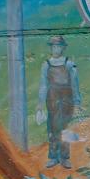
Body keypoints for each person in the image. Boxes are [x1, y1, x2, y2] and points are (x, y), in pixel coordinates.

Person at [35, 35, 81, 169]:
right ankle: (53, 156)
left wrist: (77, 102)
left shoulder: (69, 64)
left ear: (63, 48)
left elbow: (74, 84)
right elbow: (43, 85)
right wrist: (40, 102)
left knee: (66, 127)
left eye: (59, 47)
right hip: (52, 100)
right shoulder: (46, 65)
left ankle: (65, 157)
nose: (56, 49)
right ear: (51, 48)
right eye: (54, 47)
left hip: (67, 99)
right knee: (53, 127)